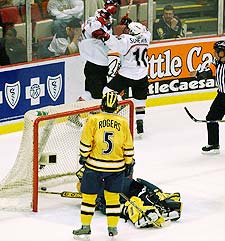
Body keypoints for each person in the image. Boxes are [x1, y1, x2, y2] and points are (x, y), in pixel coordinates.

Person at [72, 91, 134, 238]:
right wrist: (128, 162)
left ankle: (85, 227)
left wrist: (83, 156)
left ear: (101, 105)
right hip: (116, 167)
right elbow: (128, 146)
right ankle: (112, 228)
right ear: (117, 107)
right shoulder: (123, 122)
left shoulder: (93, 119)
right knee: (113, 200)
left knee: (88, 199)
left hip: (94, 167)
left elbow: (85, 143)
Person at [76, 167, 182, 229]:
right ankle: (150, 210)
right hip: (128, 196)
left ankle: (162, 206)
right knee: (135, 201)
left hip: (132, 189)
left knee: (145, 194)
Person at [97, 21, 151, 135]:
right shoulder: (146, 37)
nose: (125, 30)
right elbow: (144, 29)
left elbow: (114, 44)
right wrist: (131, 23)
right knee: (139, 100)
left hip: (127, 74)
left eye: (127, 29)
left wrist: (106, 36)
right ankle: (140, 121)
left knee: (107, 91)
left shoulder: (126, 40)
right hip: (142, 74)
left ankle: (117, 106)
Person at [78, 0, 120, 101]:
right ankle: (85, 114)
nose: (109, 21)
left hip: (99, 65)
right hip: (94, 65)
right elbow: (93, 30)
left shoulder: (105, 28)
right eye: (107, 19)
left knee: (88, 93)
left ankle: (75, 114)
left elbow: (111, 42)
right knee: (97, 96)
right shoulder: (92, 23)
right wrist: (102, 18)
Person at [189, 40, 225, 154]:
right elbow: (209, 70)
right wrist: (198, 74)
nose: (215, 53)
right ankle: (214, 144)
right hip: (221, 96)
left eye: (217, 51)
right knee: (211, 118)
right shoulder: (217, 62)